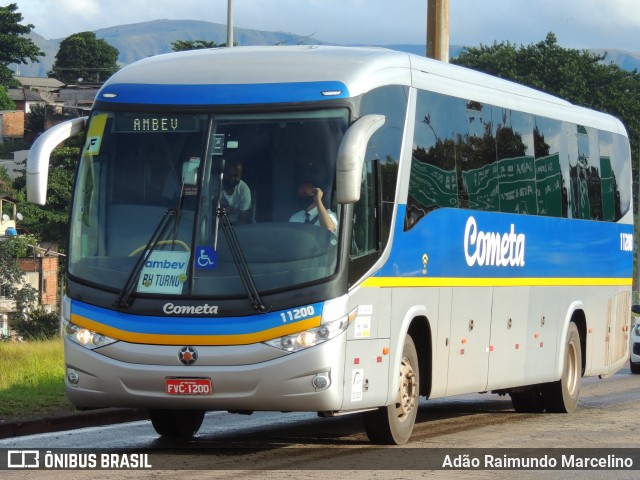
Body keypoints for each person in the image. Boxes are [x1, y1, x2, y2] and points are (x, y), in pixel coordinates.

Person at [216, 160, 252, 224]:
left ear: (240, 176)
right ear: (223, 173)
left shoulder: (244, 189)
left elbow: (243, 221)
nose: (232, 179)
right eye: (229, 175)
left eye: (236, 176)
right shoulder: (213, 184)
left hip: (234, 231)